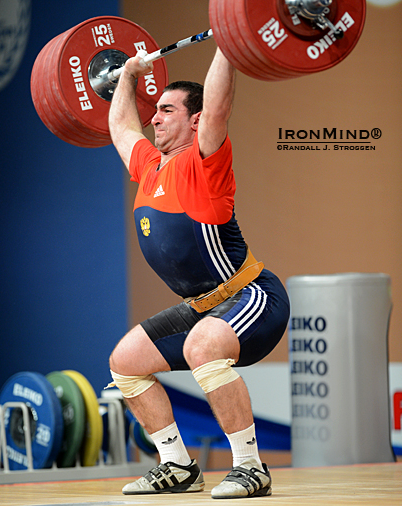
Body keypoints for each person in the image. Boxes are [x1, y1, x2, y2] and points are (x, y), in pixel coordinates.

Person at [107, 45, 290, 499]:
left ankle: (251, 468)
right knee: (125, 362)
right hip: (203, 307)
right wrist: (128, 75)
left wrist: (229, 42)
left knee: (201, 346)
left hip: (252, 296)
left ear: (195, 120)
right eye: (157, 111)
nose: (156, 119)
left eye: (167, 110)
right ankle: (177, 466)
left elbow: (219, 105)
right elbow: (121, 126)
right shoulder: (149, 167)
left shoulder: (205, 161)